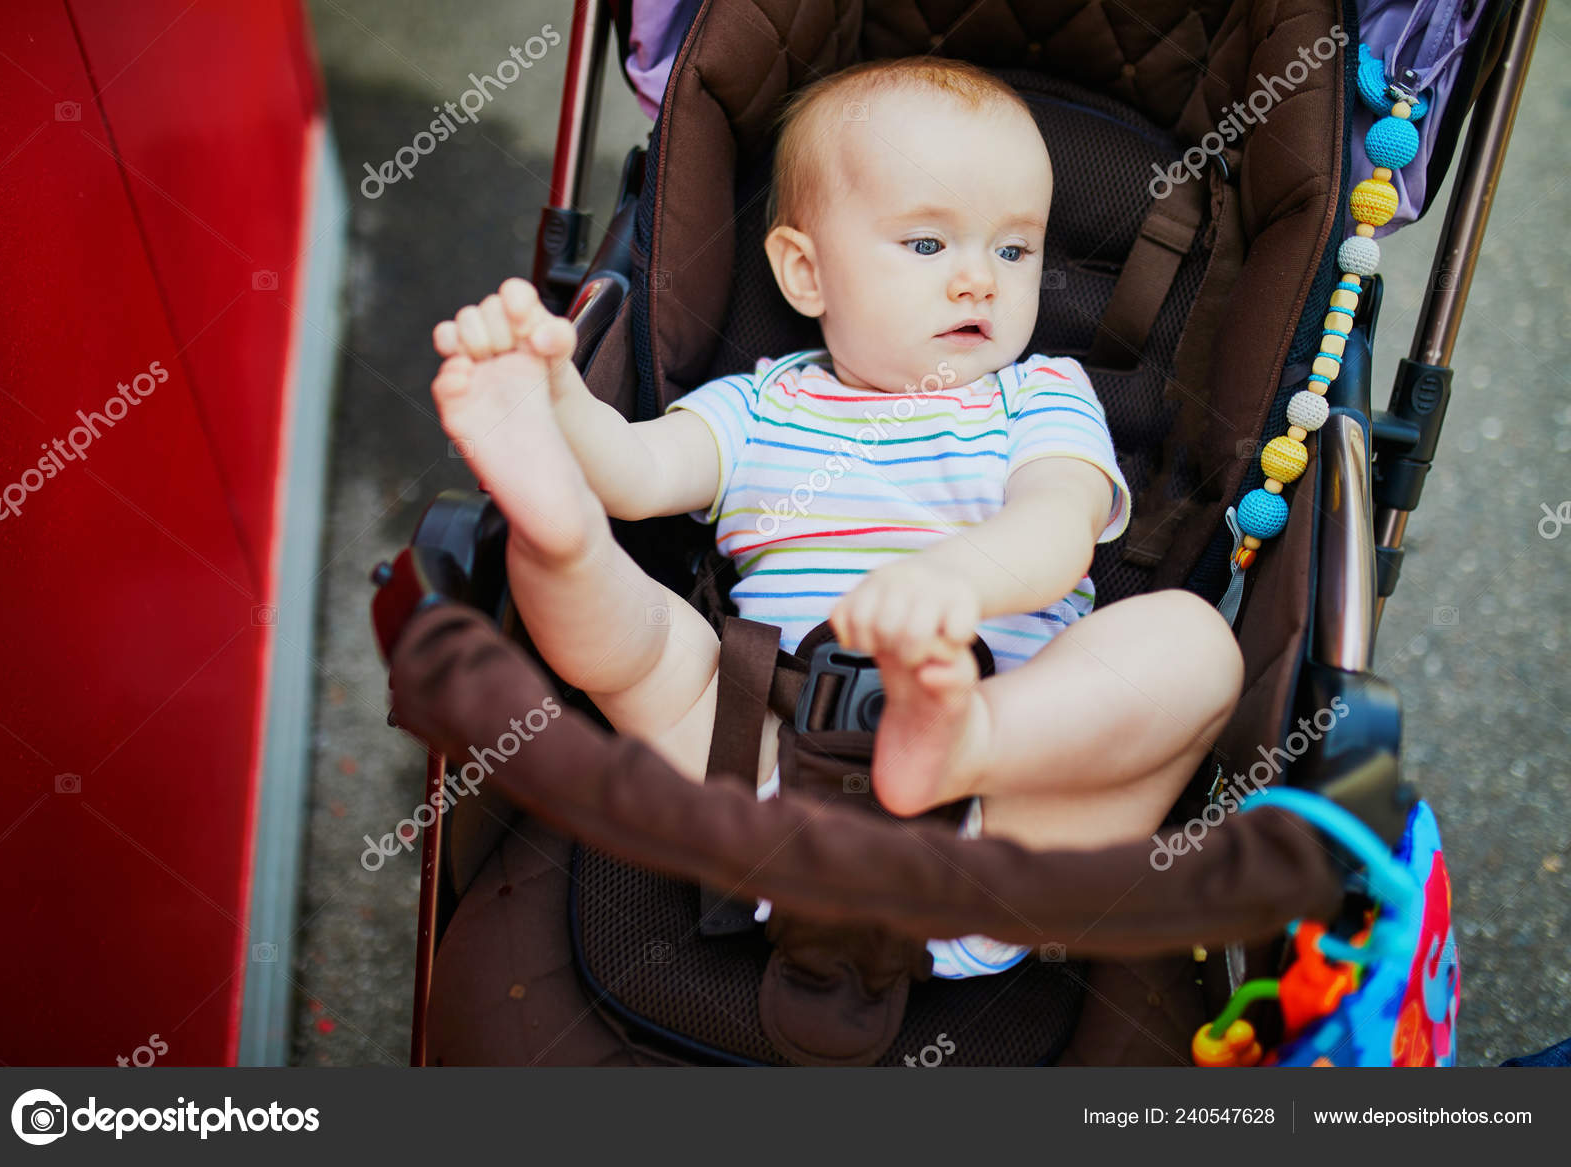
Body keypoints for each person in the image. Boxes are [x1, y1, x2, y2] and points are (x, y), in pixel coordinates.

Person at [427, 56, 1244, 977]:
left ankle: (963, 744)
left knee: (1193, 646)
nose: (981, 280)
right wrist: (566, 403)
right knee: (652, 643)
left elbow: (1060, 523)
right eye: (930, 245)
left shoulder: (1039, 396)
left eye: (1014, 251)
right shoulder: (762, 404)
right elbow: (638, 470)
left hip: (1006, 809)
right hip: (765, 757)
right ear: (806, 272)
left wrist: (954, 579)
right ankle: (559, 536)